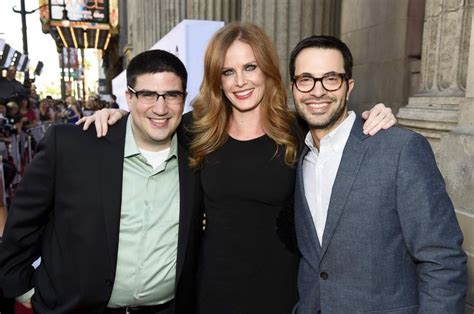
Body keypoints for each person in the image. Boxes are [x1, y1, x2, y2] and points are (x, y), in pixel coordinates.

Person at [79, 23, 396, 313]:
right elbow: (152, 124)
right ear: (216, 77)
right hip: (211, 290)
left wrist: (376, 115)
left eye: (250, 67)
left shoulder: (297, 129)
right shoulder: (196, 129)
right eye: (228, 71)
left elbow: (340, 128)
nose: (240, 81)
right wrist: (117, 117)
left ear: (267, 70)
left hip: (282, 291)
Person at [0, 49, 203, 314]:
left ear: (184, 99)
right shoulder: (73, 146)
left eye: (172, 95)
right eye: (147, 95)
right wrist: (26, 292)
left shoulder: (199, 151)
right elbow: (22, 225)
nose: (160, 108)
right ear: (129, 97)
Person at [290, 35, 467, 313]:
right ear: (294, 88)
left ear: (349, 87)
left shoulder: (399, 149)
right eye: (306, 79)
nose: (317, 90)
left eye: (331, 78)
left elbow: (442, 259)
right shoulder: (298, 155)